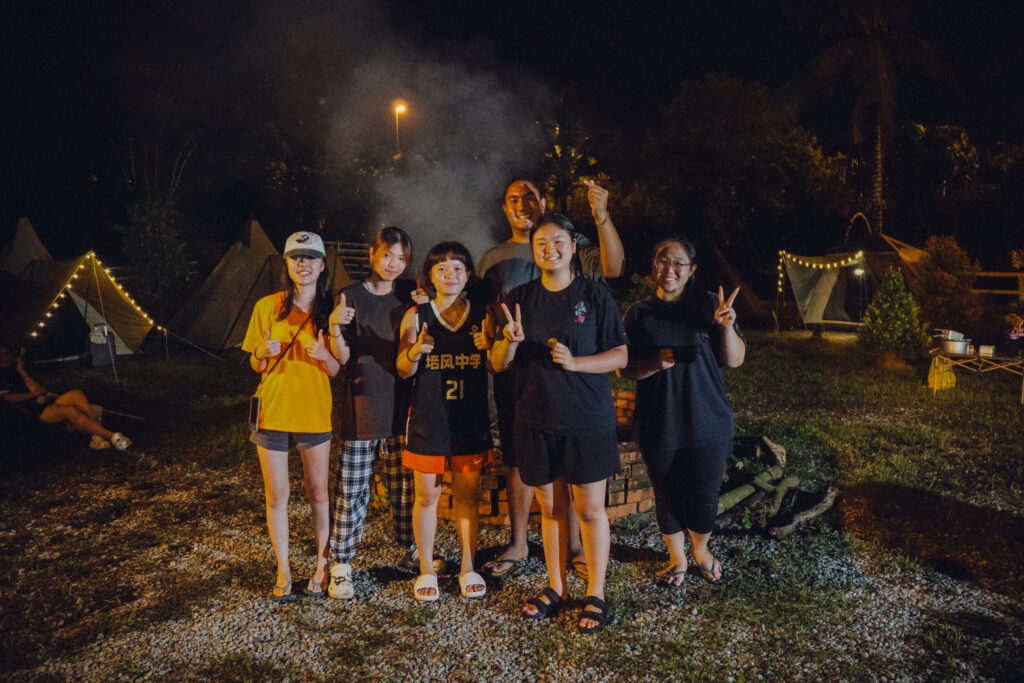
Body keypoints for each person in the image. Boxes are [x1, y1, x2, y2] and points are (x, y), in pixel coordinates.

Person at [478, 178, 624, 580]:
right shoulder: (502, 272)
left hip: (580, 402)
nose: (550, 249)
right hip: (526, 393)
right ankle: (531, 556)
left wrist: (602, 216)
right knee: (532, 479)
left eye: (529, 197)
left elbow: (613, 270)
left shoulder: (587, 280)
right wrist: (503, 342)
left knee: (581, 494)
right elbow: (493, 342)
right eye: (513, 199)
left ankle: (585, 568)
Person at [620, 238, 745, 587]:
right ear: (653, 266)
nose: (670, 269)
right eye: (663, 260)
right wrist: (655, 363)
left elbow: (735, 359)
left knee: (704, 494)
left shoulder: (709, 305)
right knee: (667, 493)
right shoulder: (639, 313)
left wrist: (725, 327)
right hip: (659, 420)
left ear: (692, 270)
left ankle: (700, 551)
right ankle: (676, 557)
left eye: (679, 263)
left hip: (708, 418)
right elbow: (624, 368)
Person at [323, 226, 430, 600]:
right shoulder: (350, 296)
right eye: (388, 255)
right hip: (363, 406)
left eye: (402, 258)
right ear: (372, 253)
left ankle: (413, 549)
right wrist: (335, 328)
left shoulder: (409, 294)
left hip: (402, 407)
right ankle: (341, 564)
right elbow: (342, 358)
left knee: (404, 488)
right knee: (352, 490)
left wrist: (427, 304)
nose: (394, 264)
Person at [242, 231, 342, 602]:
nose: (303, 264)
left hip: (314, 412)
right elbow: (256, 364)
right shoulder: (267, 307)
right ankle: (283, 569)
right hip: (273, 412)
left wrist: (324, 354)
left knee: (318, 492)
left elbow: (336, 369)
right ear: (286, 264)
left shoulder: (332, 310)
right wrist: (261, 352)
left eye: (310, 258)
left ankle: (321, 565)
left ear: (322, 265)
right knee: (276, 495)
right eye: (296, 258)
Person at [396, 241, 493, 601]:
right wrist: (415, 351)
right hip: (428, 421)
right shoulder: (416, 315)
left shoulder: (483, 315)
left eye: (457, 268)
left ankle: (468, 565)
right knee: (426, 497)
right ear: (430, 275)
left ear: (468, 276)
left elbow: (497, 365)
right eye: (441, 268)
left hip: (469, 421)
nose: (449, 274)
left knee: (467, 497)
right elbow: (403, 370)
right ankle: (426, 569)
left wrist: (491, 345)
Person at [0, 343, 131, 450]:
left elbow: (40, 390)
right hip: (33, 412)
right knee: (69, 411)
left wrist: (21, 371)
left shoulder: (15, 371)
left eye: (7, 355)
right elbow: (7, 398)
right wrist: (33, 395)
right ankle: (113, 437)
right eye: (1, 356)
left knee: (76, 394)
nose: (5, 358)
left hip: (43, 402)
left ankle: (95, 436)